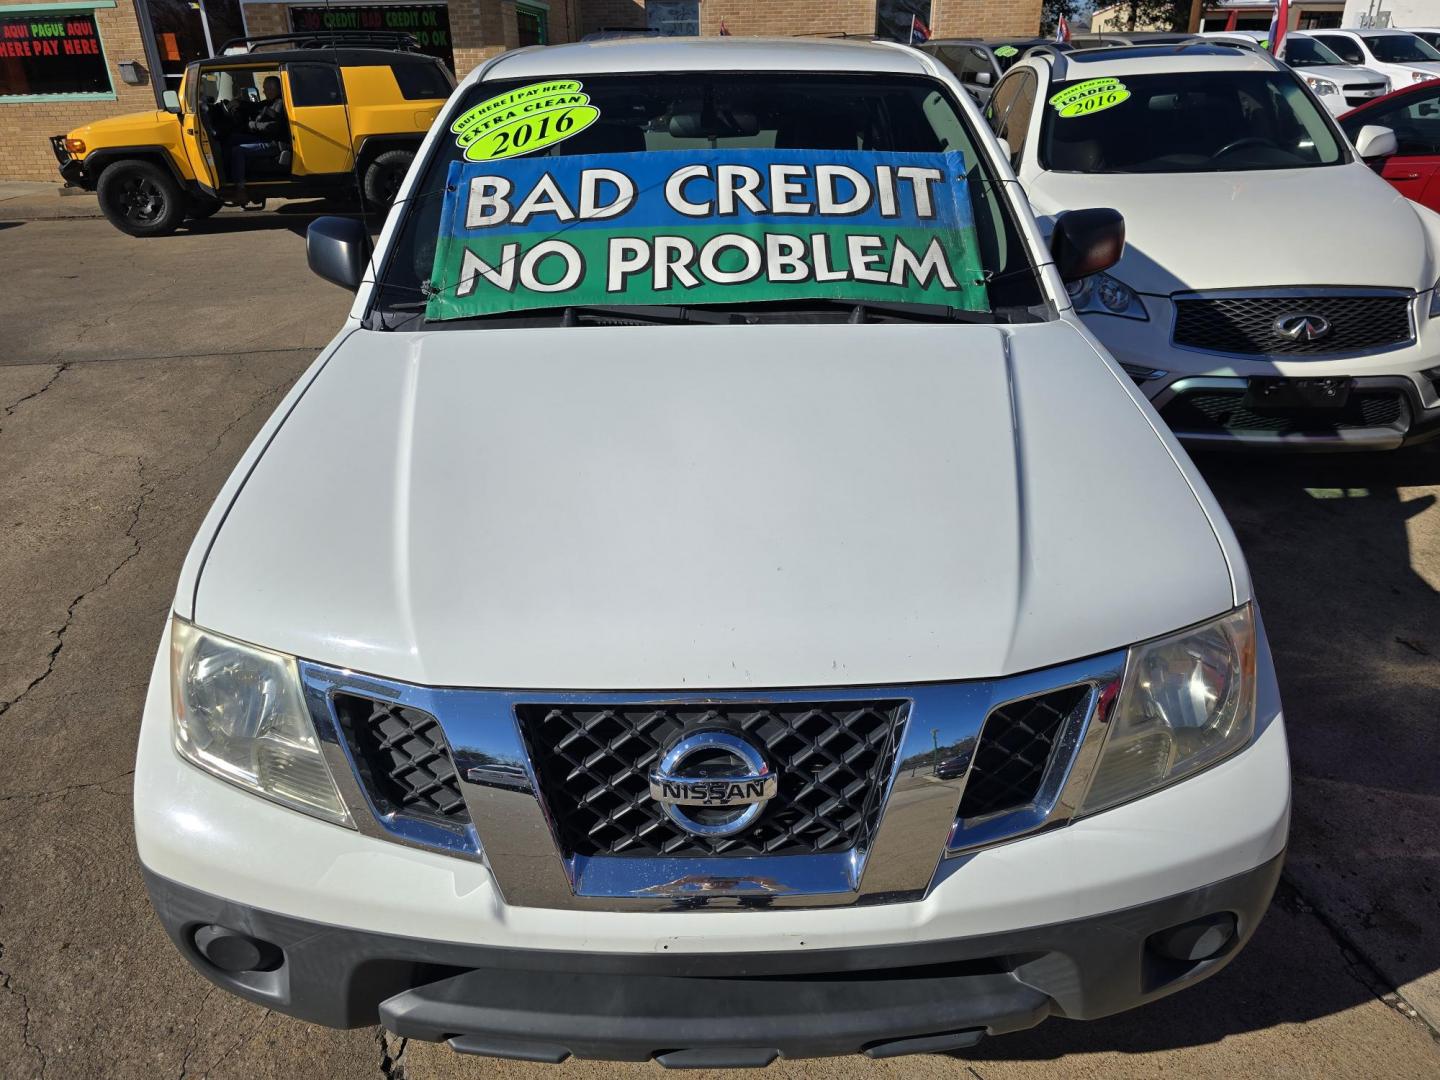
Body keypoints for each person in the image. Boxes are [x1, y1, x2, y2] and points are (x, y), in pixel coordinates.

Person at [226, 76, 289, 207]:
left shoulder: (280, 104)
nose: (264, 91)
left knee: (238, 151)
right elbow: (256, 106)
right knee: (232, 138)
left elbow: (272, 127)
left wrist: (252, 125)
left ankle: (240, 189)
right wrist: (239, 104)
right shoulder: (270, 102)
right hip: (265, 138)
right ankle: (230, 176)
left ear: (274, 89)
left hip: (273, 143)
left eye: (266, 89)